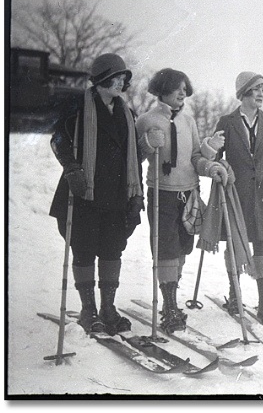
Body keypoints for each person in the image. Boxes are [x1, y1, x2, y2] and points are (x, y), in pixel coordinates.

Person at [49, 53, 144, 335]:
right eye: (115, 77)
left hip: (116, 195)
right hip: (84, 194)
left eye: (123, 78)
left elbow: (134, 155)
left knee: (113, 250)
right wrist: (72, 169)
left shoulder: (127, 114)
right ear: (101, 79)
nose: (120, 82)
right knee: (85, 248)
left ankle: (108, 308)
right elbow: (58, 140)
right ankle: (88, 310)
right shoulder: (78, 108)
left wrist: (137, 193)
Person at [135, 68, 229, 333]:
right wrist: (146, 144)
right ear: (162, 89)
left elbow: (196, 157)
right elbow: (134, 158)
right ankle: (170, 306)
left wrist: (210, 166)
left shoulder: (189, 120)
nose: (183, 93)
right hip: (161, 193)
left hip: (189, 193)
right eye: (177, 88)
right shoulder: (146, 120)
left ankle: (171, 300)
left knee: (183, 248)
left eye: (185, 88)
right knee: (166, 248)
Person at [208, 71, 263, 326]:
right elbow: (214, 156)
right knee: (235, 243)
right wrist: (216, 163)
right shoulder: (227, 121)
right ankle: (235, 296)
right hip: (237, 191)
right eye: (256, 88)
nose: (261, 93)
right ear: (243, 92)